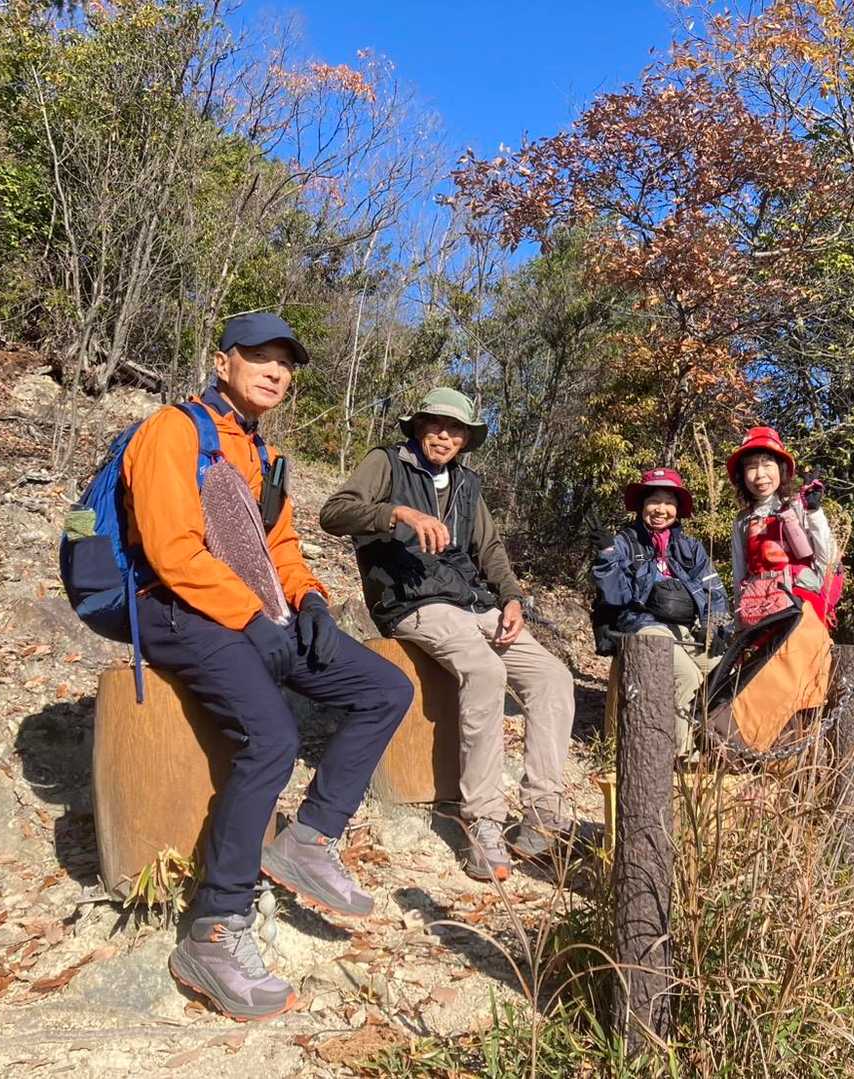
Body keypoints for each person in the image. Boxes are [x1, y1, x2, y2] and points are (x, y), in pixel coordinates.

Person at [122, 311, 412, 1021]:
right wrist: (250, 615)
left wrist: (309, 601)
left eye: (285, 363)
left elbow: (279, 547)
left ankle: (310, 838)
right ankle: (215, 928)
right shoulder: (172, 432)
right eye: (259, 357)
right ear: (223, 361)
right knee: (272, 737)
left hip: (251, 607)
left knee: (383, 686)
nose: (275, 372)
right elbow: (171, 549)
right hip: (172, 606)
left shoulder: (261, 453)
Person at [318, 387, 576, 883]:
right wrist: (396, 513)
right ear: (418, 427)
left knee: (551, 677)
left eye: (455, 429)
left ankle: (542, 816)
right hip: (410, 602)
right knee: (485, 670)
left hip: (471, 601)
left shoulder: (466, 484)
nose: (444, 436)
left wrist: (512, 597)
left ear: (465, 440)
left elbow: (489, 548)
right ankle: (483, 822)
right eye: (435, 425)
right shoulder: (386, 463)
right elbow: (334, 512)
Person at [590, 467, 730, 756]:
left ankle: (716, 747)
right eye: (654, 500)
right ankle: (682, 757)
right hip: (641, 623)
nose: (661, 509)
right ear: (641, 505)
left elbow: (714, 591)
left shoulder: (690, 547)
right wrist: (607, 557)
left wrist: (715, 627)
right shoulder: (625, 543)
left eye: (669, 502)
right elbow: (616, 595)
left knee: (722, 670)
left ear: (678, 509)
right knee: (686, 676)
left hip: (687, 627)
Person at [726, 426, 838, 627]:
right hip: (758, 605)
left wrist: (814, 512)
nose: (760, 474)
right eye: (751, 467)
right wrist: (739, 625)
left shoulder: (799, 505)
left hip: (800, 599)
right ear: (742, 475)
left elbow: (827, 556)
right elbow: (739, 572)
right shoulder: (743, 520)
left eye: (767, 464)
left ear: (781, 468)